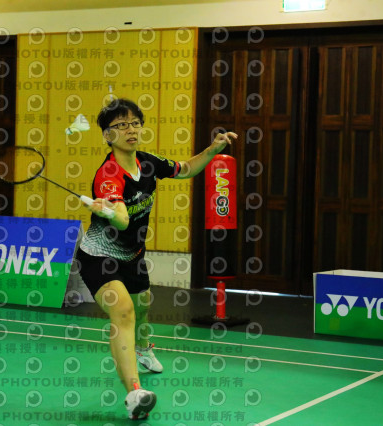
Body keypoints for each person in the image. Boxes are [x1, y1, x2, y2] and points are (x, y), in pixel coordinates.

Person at [76, 98, 237, 420]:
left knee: (142, 306)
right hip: (99, 256)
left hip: (133, 254)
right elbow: (123, 221)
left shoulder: (147, 163)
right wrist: (110, 211)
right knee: (123, 311)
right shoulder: (109, 174)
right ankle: (134, 393)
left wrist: (213, 149)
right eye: (121, 125)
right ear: (107, 135)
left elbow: (185, 169)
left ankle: (143, 349)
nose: (131, 130)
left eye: (135, 123)